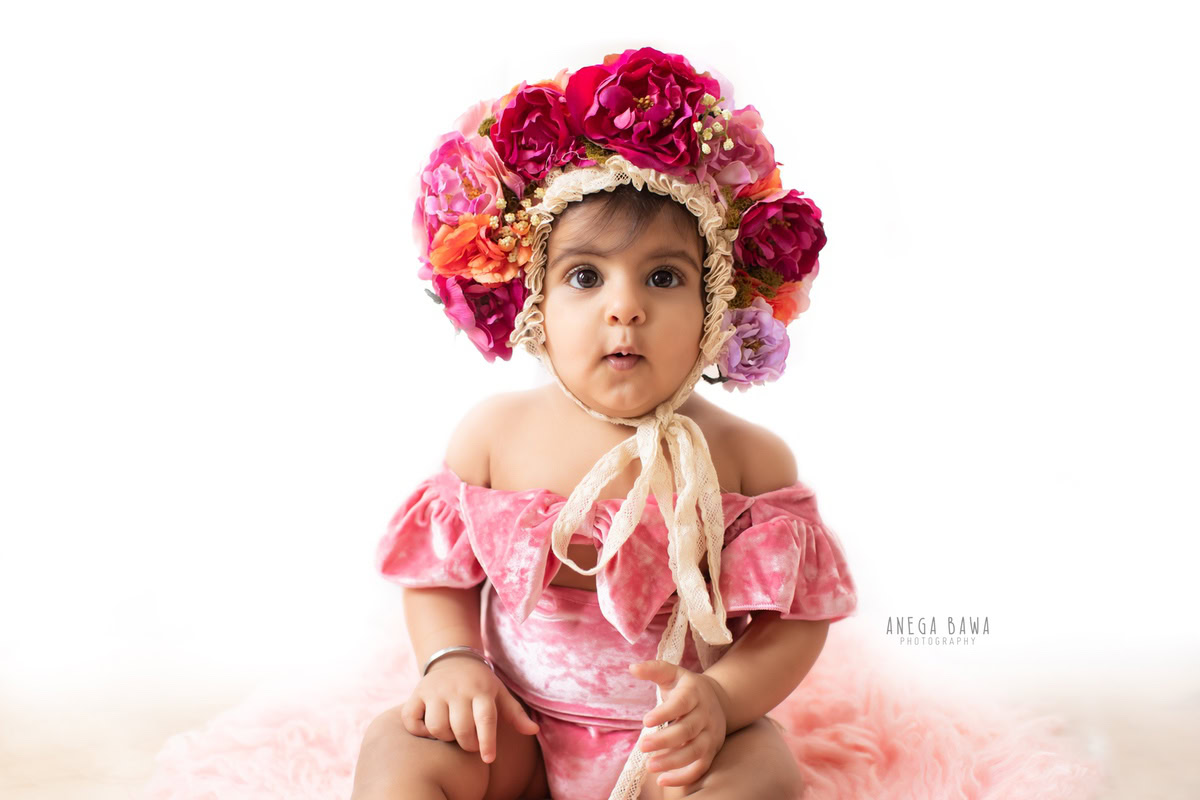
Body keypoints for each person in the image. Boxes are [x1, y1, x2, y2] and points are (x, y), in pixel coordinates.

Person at [352, 46, 858, 800]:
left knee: (765, 769)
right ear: (536, 308)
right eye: (585, 277)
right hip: (514, 732)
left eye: (664, 277)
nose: (626, 307)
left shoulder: (747, 459)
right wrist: (452, 662)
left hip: (676, 743)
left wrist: (725, 700)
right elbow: (436, 577)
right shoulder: (496, 436)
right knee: (398, 745)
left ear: (715, 305)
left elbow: (796, 622)